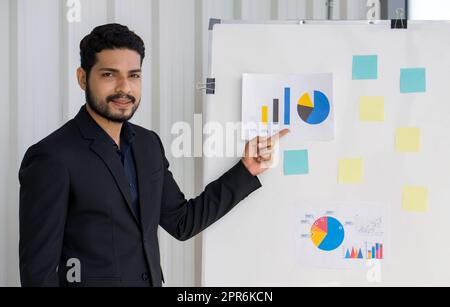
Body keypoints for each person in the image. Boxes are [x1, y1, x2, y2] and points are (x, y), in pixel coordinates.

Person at [18, 23, 289, 287]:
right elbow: (38, 273)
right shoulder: (51, 157)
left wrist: (246, 169)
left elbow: (183, 222)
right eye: (109, 74)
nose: (124, 88)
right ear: (82, 78)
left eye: (134, 75)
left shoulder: (147, 144)